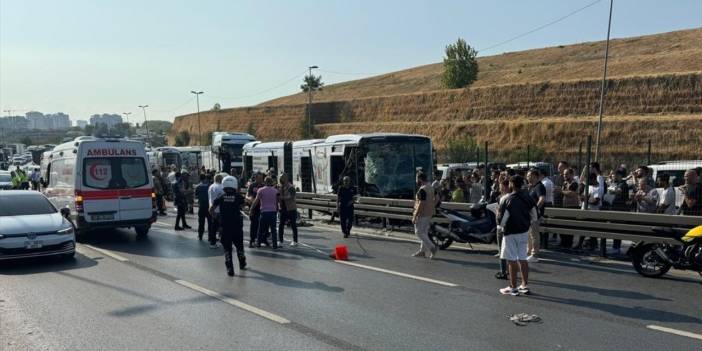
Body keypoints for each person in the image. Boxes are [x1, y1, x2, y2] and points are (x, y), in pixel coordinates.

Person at [497, 175, 537, 296]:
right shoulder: (528, 197)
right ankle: (524, 285)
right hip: (524, 231)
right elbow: (534, 215)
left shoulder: (506, 198)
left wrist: (498, 215)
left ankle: (512, 287)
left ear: (512, 184)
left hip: (510, 232)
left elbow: (501, 221)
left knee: (511, 260)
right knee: (522, 258)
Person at [209, 176, 247, 277]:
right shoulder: (238, 196)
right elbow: (244, 206)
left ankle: (230, 269)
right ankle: (242, 263)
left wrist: (217, 218)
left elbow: (211, 209)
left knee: (227, 248)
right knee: (239, 246)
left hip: (224, 226)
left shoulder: (221, 197)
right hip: (237, 226)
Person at [411, 172, 438, 259]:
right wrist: (431, 205)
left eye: (416, 179)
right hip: (430, 213)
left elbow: (421, 204)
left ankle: (432, 247)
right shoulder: (431, 187)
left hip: (422, 214)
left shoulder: (422, 189)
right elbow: (437, 198)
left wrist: (415, 216)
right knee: (424, 232)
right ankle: (422, 251)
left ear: (420, 179)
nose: (416, 181)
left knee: (418, 232)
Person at [250, 176, 280, 249]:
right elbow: (277, 201)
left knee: (260, 229)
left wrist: (251, 209)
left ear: (265, 182)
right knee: (273, 230)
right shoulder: (275, 191)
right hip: (273, 212)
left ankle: (258, 244)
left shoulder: (261, 190)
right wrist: (277, 209)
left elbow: (256, 201)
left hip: (264, 212)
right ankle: (275, 245)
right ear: (271, 182)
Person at [526, 169, 546, 262]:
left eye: (529, 175)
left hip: (535, 215)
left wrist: (535, 209)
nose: (527, 177)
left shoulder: (539, 187)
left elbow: (542, 199)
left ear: (534, 176)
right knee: (530, 234)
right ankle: (529, 252)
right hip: (531, 214)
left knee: (534, 234)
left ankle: (534, 254)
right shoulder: (532, 187)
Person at [278, 173, 299, 247]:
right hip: (283, 208)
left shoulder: (291, 187)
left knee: (293, 225)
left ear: (286, 178)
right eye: (280, 178)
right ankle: (280, 240)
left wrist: (282, 197)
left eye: (281, 178)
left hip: (291, 208)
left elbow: (292, 197)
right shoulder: (280, 187)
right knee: (281, 225)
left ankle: (295, 241)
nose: (280, 179)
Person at [246, 173, 264, 247]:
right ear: (255, 178)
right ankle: (252, 240)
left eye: (261, 178)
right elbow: (247, 195)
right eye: (259, 178)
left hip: (262, 207)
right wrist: (250, 198)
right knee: (254, 224)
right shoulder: (252, 185)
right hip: (253, 207)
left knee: (262, 224)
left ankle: (262, 239)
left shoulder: (264, 185)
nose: (260, 179)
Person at [208, 174, 225, 249]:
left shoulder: (211, 186)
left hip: (212, 208)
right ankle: (223, 241)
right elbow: (223, 197)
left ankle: (212, 243)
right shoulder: (220, 187)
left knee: (213, 227)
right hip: (219, 210)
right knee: (223, 226)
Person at [195, 174, 212, 242]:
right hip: (208, 206)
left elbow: (196, 196)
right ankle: (210, 237)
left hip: (201, 206)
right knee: (210, 222)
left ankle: (200, 235)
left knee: (201, 222)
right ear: (205, 179)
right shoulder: (209, 187)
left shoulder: (198, 187)